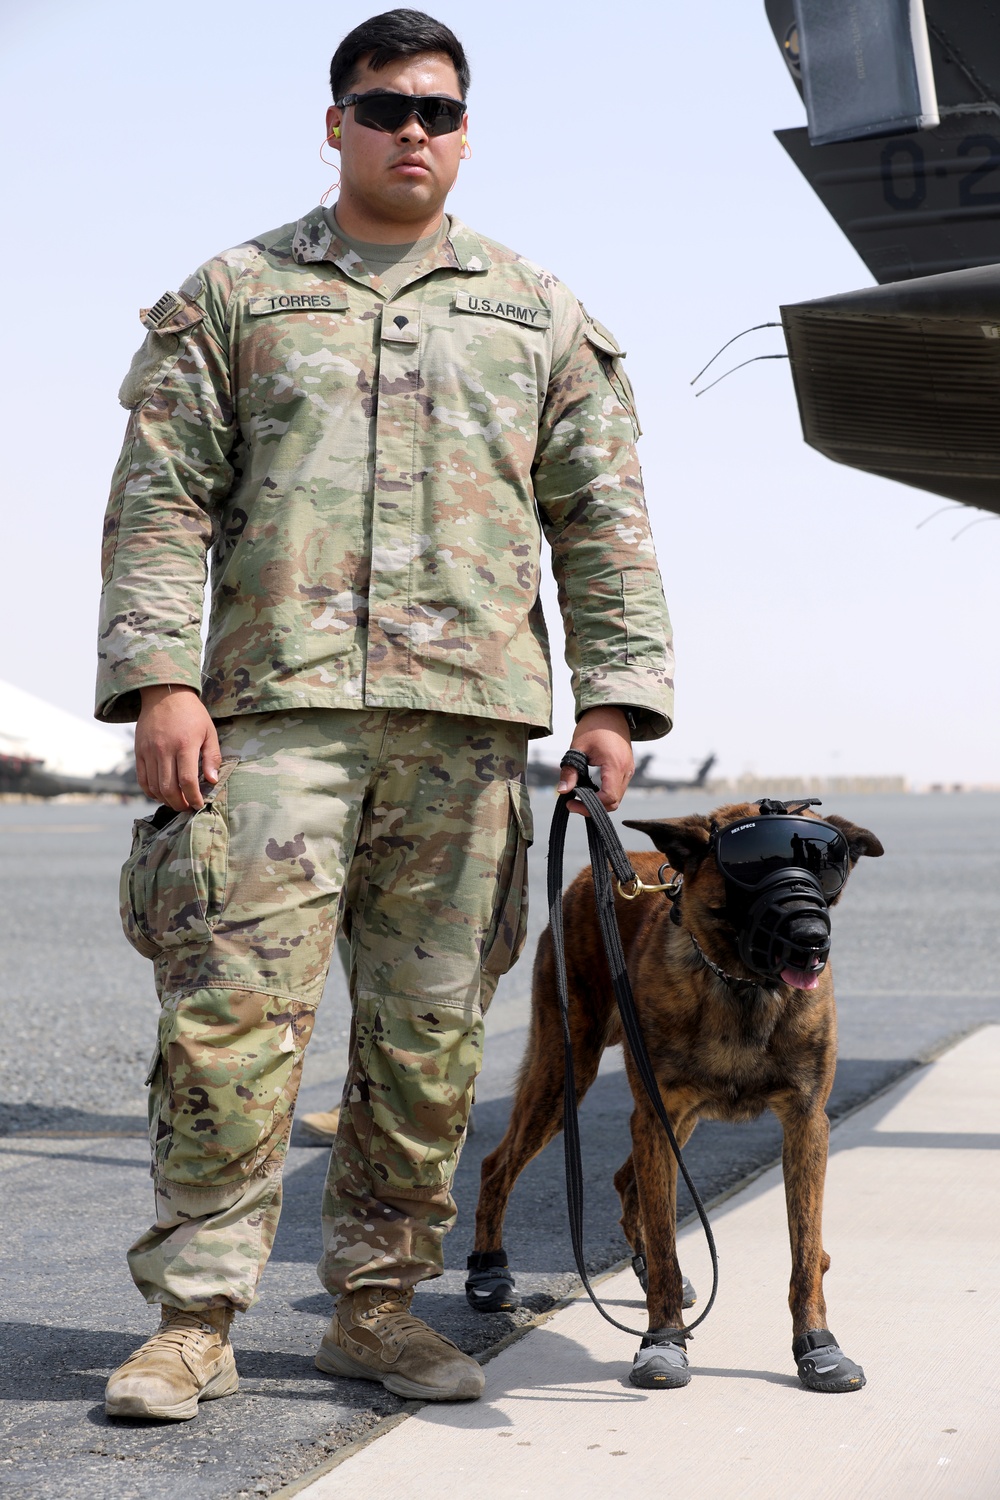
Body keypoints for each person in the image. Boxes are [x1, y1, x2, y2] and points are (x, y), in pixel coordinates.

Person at [97, 7, 674, 1422]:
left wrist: (614, 698)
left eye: (437, 110)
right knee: (231, 1027)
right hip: (269, 720)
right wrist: (161, 680)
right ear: (335, 124)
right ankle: (193, 1320)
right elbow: (162, 500)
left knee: (427, 1036)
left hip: (466, 729)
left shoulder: (535, 312)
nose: (410, 129)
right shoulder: (232, 295)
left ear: (466, 134)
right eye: (382, 104)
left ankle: (374, 1304)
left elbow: (599, 517)